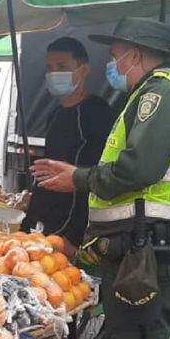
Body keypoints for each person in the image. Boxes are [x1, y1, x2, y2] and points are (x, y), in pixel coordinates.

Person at [31, 18, 170, 339]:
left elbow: (138, 168)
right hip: (143, 251)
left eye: (115, 58)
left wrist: (79, 177)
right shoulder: (158, 92)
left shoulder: (159, 94)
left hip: (149, 254)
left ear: (135, 55)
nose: (114, 66)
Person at [21, 37, 113, 255]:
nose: (54, 74)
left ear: (84, 70)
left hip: (74, 229)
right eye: (49, 68)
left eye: (61, 67)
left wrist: (73, 236)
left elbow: (96, 175)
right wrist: (29, 222)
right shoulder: (55, 113)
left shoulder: (96, 111)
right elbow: (45, 175)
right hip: (47, 220)